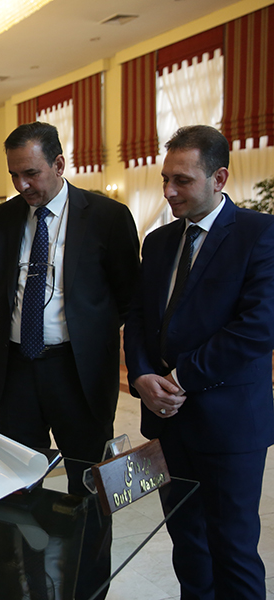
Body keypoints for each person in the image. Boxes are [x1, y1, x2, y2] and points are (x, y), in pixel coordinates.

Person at [0, 121, 140, 598]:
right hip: (17, 369)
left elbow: (128, 297)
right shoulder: (3, 218)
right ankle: (24, 584)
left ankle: (88, 589)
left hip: (78, 373)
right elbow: (3, 291)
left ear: (58, 164)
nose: (22, 185)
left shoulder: (108, 217)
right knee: (18, 485)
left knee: (89, 488)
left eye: (31, 173)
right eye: (14, 175)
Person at [124, 125, 274, 599]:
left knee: (232, 551)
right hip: (168, 425)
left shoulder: (260, 234)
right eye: (165, 179)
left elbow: (258, 327)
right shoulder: (158, 242)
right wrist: (141, 374)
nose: (168, 191)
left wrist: (179, 378)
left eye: (182, 181)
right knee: (187, 547)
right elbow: (139, 316)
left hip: (230, 426)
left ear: (219, 178)